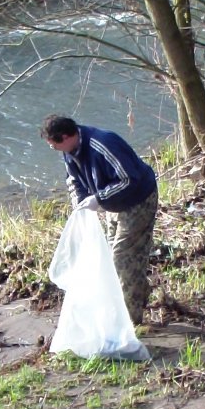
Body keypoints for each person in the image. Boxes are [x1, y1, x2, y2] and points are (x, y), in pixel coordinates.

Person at [41, 114, 158, 326]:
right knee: (113, 259)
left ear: (65, 137)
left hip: (138, 200)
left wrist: (99, 198)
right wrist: (80, 203)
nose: (53, 149)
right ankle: (136, 299)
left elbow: (129, 179)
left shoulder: (103, 144)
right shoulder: (69, 151)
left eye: (53, 144)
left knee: (123, 258)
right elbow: (74, 180)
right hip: (114, 204)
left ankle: (130, 322)